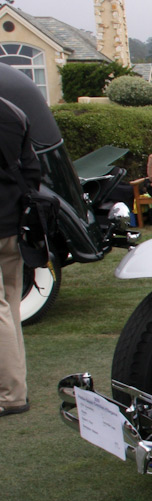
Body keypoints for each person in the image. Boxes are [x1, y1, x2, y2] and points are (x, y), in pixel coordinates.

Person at [0, 96, 40, 418]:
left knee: (4, 309)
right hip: (14, 223)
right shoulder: (15, 113)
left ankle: (12, 394)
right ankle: (15, 389)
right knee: (10, 306)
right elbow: (32, 170)